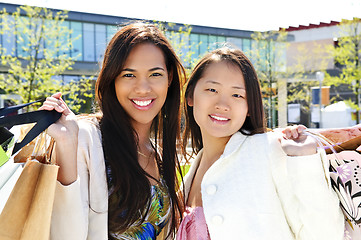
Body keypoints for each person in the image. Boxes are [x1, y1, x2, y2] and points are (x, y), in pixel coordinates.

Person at [177, 47, 345, 239]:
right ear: (190, 95)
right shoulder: (188, 178)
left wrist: (304, 160)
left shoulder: (270, 149)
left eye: (237, 95)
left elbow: (325, 234)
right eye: (212, 89)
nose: (222, 104)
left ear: (249, 107)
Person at [40, 22, 186, 240]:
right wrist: (67, 143)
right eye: (129, 75)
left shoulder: (160, 154)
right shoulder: (86, 138)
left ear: (170, 78)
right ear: (113, 80)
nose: (143, 88)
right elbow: (64, 234)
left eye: (155, 74)